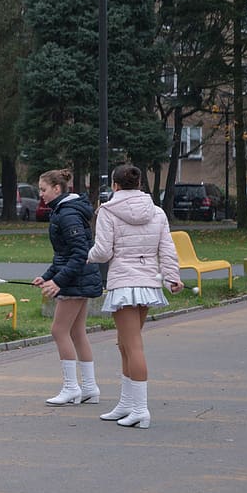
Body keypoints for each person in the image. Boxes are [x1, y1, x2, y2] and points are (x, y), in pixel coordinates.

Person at [88, 164, 183, 428]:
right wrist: (173, 277)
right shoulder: (157, 212)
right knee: (124, 344)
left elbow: (104, 252)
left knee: (132, 345)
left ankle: (140, 409)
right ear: (140, 184)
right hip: (148, 282)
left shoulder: (107, 211)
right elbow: (167, 249)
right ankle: (126, 404)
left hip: (124, 283)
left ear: (115, 186)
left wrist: (88, 256)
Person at [32, 169, 104, 407]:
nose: (40, 194)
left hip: (76, 280)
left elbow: (79, 254)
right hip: (78, 278)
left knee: (59, 331)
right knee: (76, 332)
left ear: (57, 188)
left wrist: (58, 281)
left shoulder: (68, 214)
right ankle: (90, 388)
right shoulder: (64, 211)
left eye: (43, 190)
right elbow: (63, 255)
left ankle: (72, 388)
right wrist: (46, 276)